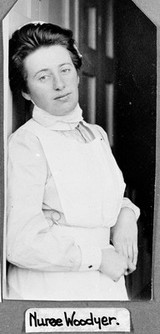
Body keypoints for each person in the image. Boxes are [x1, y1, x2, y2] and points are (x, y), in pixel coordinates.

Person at [7, 22, 140, 300]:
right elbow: (19, 242)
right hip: (53, 289)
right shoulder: (28, 142)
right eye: (43, 77)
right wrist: (98, 257)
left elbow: (104, 199)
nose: (59, 84)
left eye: (65, 70)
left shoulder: (96, 134)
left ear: (77, 74)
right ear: (26, 92)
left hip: (105, 283)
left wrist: (126, 215)